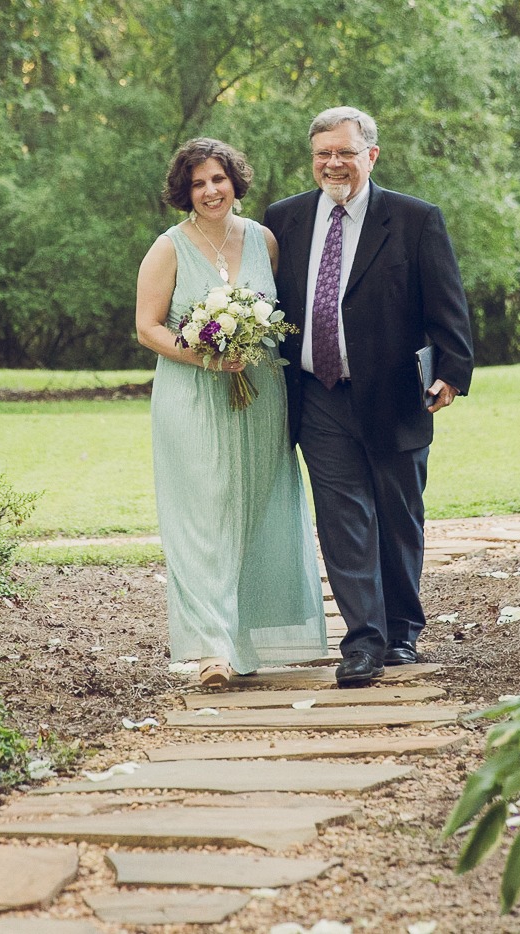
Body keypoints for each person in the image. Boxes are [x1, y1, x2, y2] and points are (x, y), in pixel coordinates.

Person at [264, 107, 474, 688]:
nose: (334, 163)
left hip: (395, 395)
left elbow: (447, 306)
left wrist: (452, 372)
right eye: (323, 153)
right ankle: (362, 641)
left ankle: (402, 630)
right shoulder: (283, 220)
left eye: (346, 153)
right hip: (317, 393)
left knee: (399, 515)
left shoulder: (414, 220)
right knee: (342, 518)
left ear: (370, 156)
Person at [136, 138, 327, 688]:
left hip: (262, 396)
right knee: (203, 516)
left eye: (217, 179)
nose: (210, 191)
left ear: (234, 182)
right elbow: (147, 327)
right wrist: (205, 356)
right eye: (198, 183)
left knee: (254, 509)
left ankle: (241, 641)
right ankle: (209, 651)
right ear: (184, 192)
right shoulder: (169, 247)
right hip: (192, 397)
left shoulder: (264, 240)